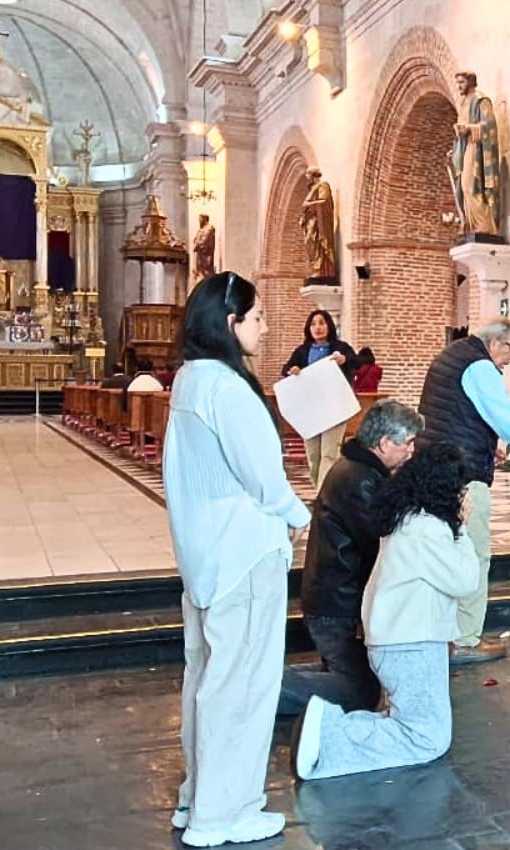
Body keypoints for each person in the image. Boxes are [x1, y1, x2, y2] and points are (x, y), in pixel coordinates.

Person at [163, 272, 310, 847]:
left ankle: (199, 797)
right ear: (230, 323)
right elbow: (263, 477)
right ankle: (224, 813)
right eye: (257, 317)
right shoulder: (225, 387)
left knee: (208, 678)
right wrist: (301, 515)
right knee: (243, 685)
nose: (265, 327)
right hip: (243, 553)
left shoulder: (190, 379)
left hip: (205, 553)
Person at [292, 441, 481, 780]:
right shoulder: (427, 529)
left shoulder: (407, 518)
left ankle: (328, 726)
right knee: (426, 738)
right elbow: (466, 579)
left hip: (402, 640)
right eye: (461, 489)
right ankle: (329, 738)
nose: (464, 496)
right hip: (412, 644)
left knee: (414, 724)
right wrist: (463, 528)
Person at [417, 317, 510, 664]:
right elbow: (507, 420)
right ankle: (465, 639)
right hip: (462, 475)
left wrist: (486, 445)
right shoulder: (479, 365)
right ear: (495, 343)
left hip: (437, 468)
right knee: (472, 553)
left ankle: (443, 633)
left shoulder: (453, 354)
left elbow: (456, 415)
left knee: (444, 552)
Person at [280, 399, 421, 715]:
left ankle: (265, 684)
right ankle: (263, 689)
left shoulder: (360, 470)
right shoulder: (359, 479)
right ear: (384, 443)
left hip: (336, 598)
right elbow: (380, 540)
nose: (412, 451)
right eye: (408, 443)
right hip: (336, 605)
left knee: (356, 681)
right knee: (358, 693)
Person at [282, 310, 361, 489]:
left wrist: (345, 360)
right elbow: (286, 368)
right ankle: (319, 489)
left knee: (329, 453)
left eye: (322, 322)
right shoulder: (302, 351)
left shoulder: (340, 347)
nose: (317, 327)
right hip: (311, 409)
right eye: (313, 324)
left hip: (335, 407)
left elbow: (358, 361)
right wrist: (292, 370)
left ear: (329, 325)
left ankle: (323, 494)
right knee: (313, 455)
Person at [450, 71, 503, 238]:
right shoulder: (463, 103)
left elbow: (489, 125)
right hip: (465, 147)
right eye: (457, 83)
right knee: (462, 187)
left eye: (462, 82)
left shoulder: (481, 100)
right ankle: (471, 224)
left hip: (476, 148)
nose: (459, 86)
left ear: (471, 82)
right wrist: (455, 148)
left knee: (471, 185)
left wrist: (469, 129)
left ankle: (486, 226)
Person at [300, 167, 337, 283]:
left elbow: (324, 201)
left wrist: (309, 205)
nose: (307, 178)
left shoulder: (323, 186)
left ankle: (322, 271)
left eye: (308, 175)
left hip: (319, 223)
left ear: (314, 175)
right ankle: (314, 269)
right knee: (308, 242)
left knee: (316, 243)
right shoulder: (312, 189)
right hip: (311, 221)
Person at [191, 214, 216, 281]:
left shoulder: (209, 228)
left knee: (205, 272)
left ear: (204, 219)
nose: (199, 221)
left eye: (200, 219)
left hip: (205, 255)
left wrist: (198, 245)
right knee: (199, 272)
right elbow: (196, 239)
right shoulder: (202, 229)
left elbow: (205, 240)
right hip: (200, 255)